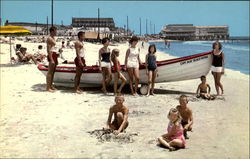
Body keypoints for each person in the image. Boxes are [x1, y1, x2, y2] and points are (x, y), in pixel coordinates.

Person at [46, 26, 58, 92]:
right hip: (51, 55)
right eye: (55, 31)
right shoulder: (49, 38)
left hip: (55, 54)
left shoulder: (53, 38)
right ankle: (48, 87)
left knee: (53, 72)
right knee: (50, 72)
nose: (56, 32)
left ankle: (51, 85)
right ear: (52, 31)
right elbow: (48, 50)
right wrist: (51, 59)